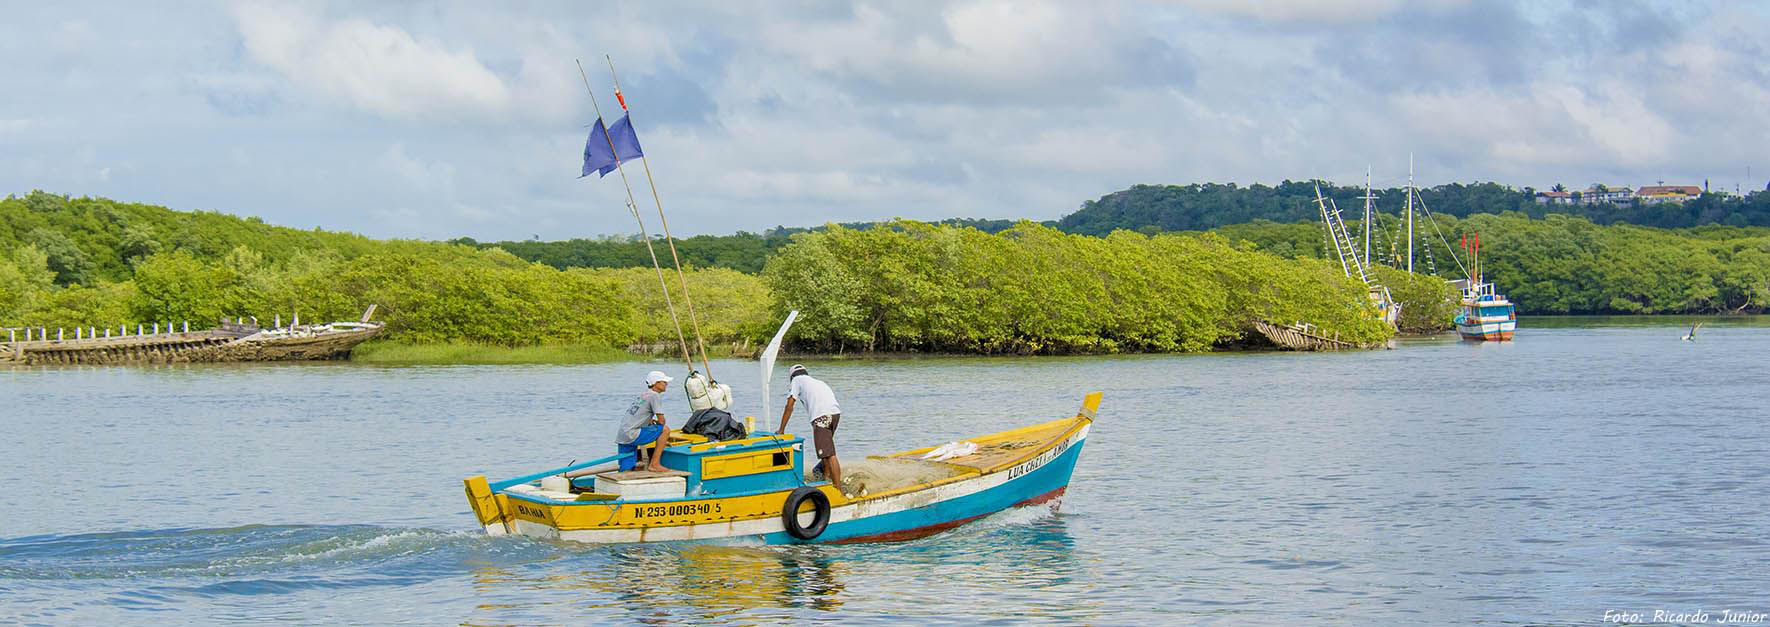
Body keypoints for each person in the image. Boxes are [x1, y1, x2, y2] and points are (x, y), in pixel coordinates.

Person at [777, 364, 844, 489]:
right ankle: (826, 479)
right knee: (824, 452)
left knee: (829, 454)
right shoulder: (817, 382)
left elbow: (789, 406)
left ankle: (837, 489)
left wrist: (781, 429)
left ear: (792, 377)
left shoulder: (797, 380)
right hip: (835, 414)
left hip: (821, 417)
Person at [617, 370, 674, 473]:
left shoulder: (644, 394)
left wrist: (650, 421)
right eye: (664, 382)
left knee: (625, 469)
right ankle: (654, 464)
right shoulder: (654, 395)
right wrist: (658, 423)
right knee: (665, 430)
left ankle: (624, 477)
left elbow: (638, 414)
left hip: (623, 434)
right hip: (633, 434)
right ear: (656, 383)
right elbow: (661, 421)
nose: (666, 384)